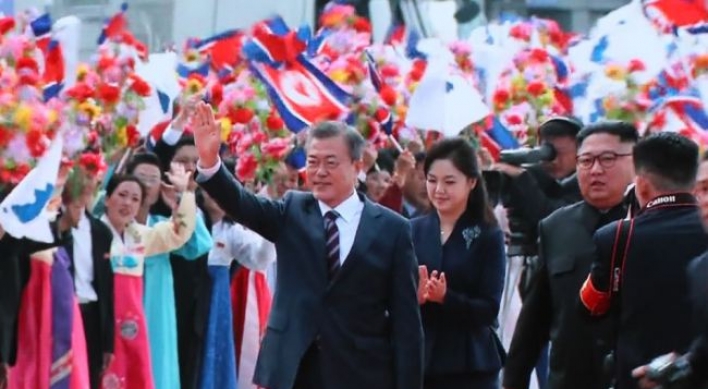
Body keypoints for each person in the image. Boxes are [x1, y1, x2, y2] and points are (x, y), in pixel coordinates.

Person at [191, 101, 424, 389]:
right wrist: (210, 162)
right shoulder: (292, 209)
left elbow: (406, 323)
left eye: (331, 162)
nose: (320, 171)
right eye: (313, 162)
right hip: (293, 368)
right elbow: (242, 204)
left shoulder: (393, 229)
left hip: (360, 371)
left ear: (357, 166)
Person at [503, 121, 639, 389]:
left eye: (608, 159)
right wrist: (513, 380)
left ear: (637, 162)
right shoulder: (555, 226)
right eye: (586, 161)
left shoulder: (652, 224)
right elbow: (535, 318)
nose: (595, 170)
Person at [580, 132, 708, 389]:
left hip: (639, 376)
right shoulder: (699, 259)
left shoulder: (617, 235)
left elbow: (589, 308)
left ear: (641, 184)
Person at [413, 138, 506, 389]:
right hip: (420, 360)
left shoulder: (487, 234)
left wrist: (446, 298)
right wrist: (416, 296)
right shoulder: (412, 229)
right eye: (432, 180)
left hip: (469, 363)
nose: (439, 189)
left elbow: (489, 308)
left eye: (449, 181)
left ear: (472, 182)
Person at [99, 163, 198, 389]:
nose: (127, 203)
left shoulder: (140, 236)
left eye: (135, 199)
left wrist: (185, 194)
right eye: (122, 195)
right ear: (106, 199)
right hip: (101, 321)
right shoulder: (94, 232)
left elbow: (177, 234)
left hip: (133, 327)